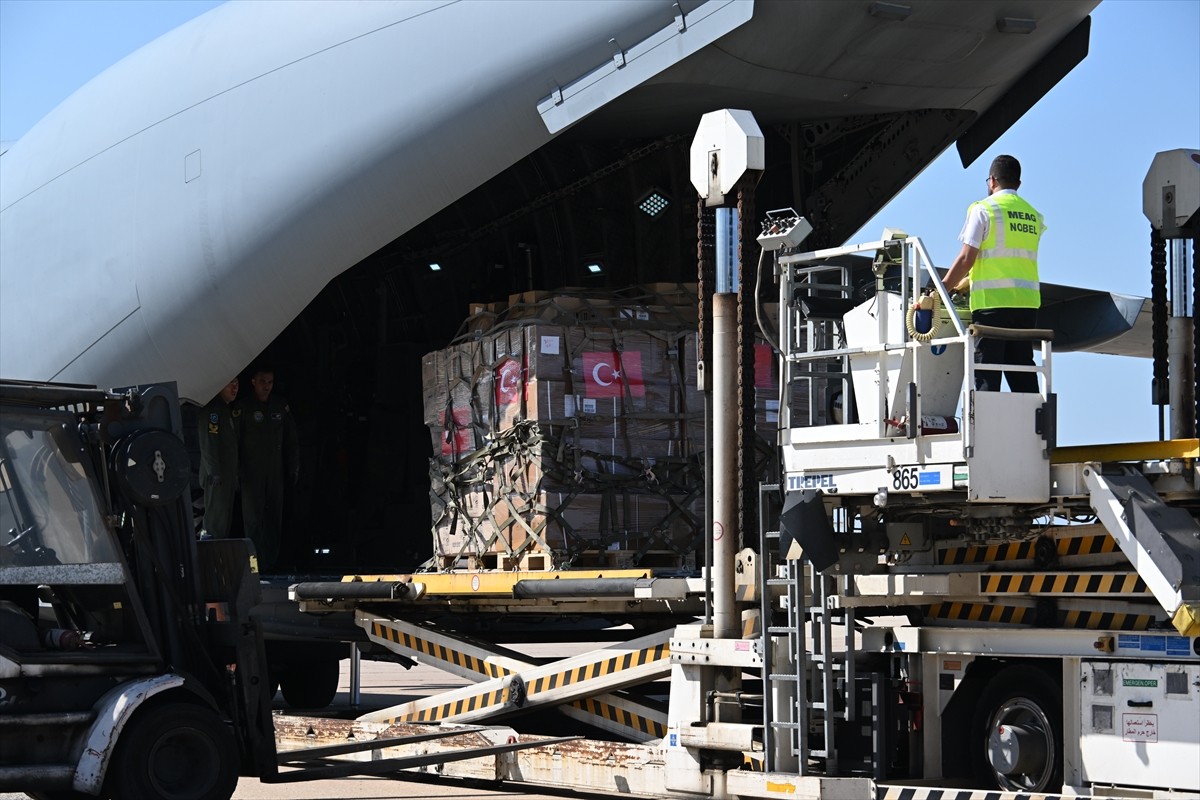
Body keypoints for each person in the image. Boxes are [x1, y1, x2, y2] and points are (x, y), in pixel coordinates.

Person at [942, 154, 1046, 393]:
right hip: (1027, 308)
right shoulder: (1034, 216)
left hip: (992, 307)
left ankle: (987, 430)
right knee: (1022, 373)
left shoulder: (983, 210)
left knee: (987, 375)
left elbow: (967, 258)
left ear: (991, 181)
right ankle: (1032, 428)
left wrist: (942, 288)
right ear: (1018, 184)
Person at [236, 367, 299, 571]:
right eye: (262, 381)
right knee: (253, 521)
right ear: (253, 381)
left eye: (270, 382)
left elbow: (291, 440)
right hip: (251, 473)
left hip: (275, 473)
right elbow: (234, 442)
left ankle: (272, 563)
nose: (266, 386)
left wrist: (293, 467)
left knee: (274, 519)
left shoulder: (280, 406)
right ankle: (254, 565)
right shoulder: (244, 407)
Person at [198, 377, 240, 538]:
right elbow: (208, 442)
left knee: (223, 518)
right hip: (217, 475)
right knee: (215, 519)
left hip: (225, 475)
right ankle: (210, 549)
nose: (235, 388)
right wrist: (214, 471)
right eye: (231, 384)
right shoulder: (214, 410)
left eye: (237, 384)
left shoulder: (224, 409)